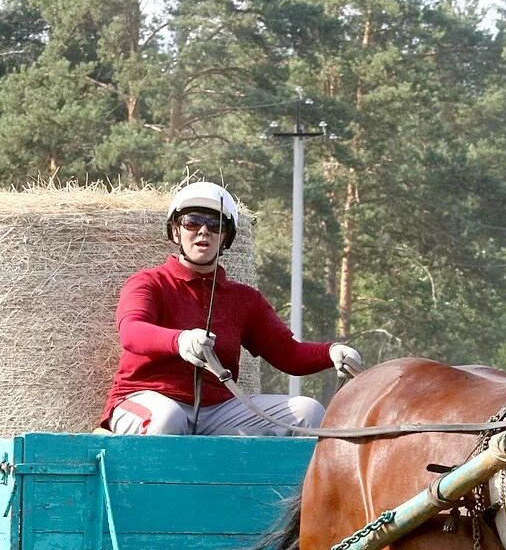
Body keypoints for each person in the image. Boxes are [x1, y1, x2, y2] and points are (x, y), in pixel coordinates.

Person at [103, 181, 363, 436]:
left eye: (215, 224)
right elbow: (132, 331)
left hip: (217, 410)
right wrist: (180, 340)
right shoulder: (148, 282)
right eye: (192, 221)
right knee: (168, 419)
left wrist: (331, 352)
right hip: (147, 398)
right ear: (175, 231)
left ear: (226, 238)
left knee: (308, 412)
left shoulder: (245, 299)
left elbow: (288, 354)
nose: (204, 231)